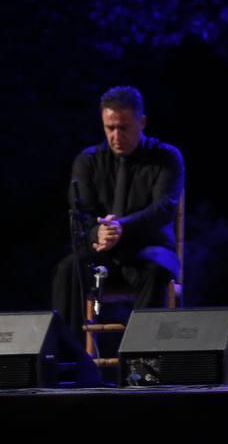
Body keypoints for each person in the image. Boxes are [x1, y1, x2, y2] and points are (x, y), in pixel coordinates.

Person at [53, 86, 184, 336]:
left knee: (158, 271)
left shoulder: (166, 157)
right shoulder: (88, 160)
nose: (116, 135)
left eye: (123, 127)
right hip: (105, 256)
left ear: (142, 122)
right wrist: (97, 233)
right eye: (109, 128)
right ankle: (67, 358)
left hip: (149, 249)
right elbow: (81, 213)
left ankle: (142, 359)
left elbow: (164, 208)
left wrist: (121, 227)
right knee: (68, 268)